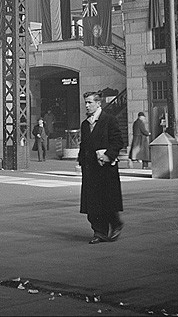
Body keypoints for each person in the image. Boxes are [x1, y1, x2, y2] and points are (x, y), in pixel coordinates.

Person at [78, 91, 124, 244]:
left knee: (107, 202)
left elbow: (118, 141)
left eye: (90, 102)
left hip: (105, 169)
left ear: (99, 103)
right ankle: (99, 232)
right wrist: (81, 161)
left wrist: (108, 155)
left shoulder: (109, 120)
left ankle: (116, 224)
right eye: (85, 102)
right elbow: (84, 144)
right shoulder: (85, 124)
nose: (87, 105)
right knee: (92, 205)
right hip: (90, 169)